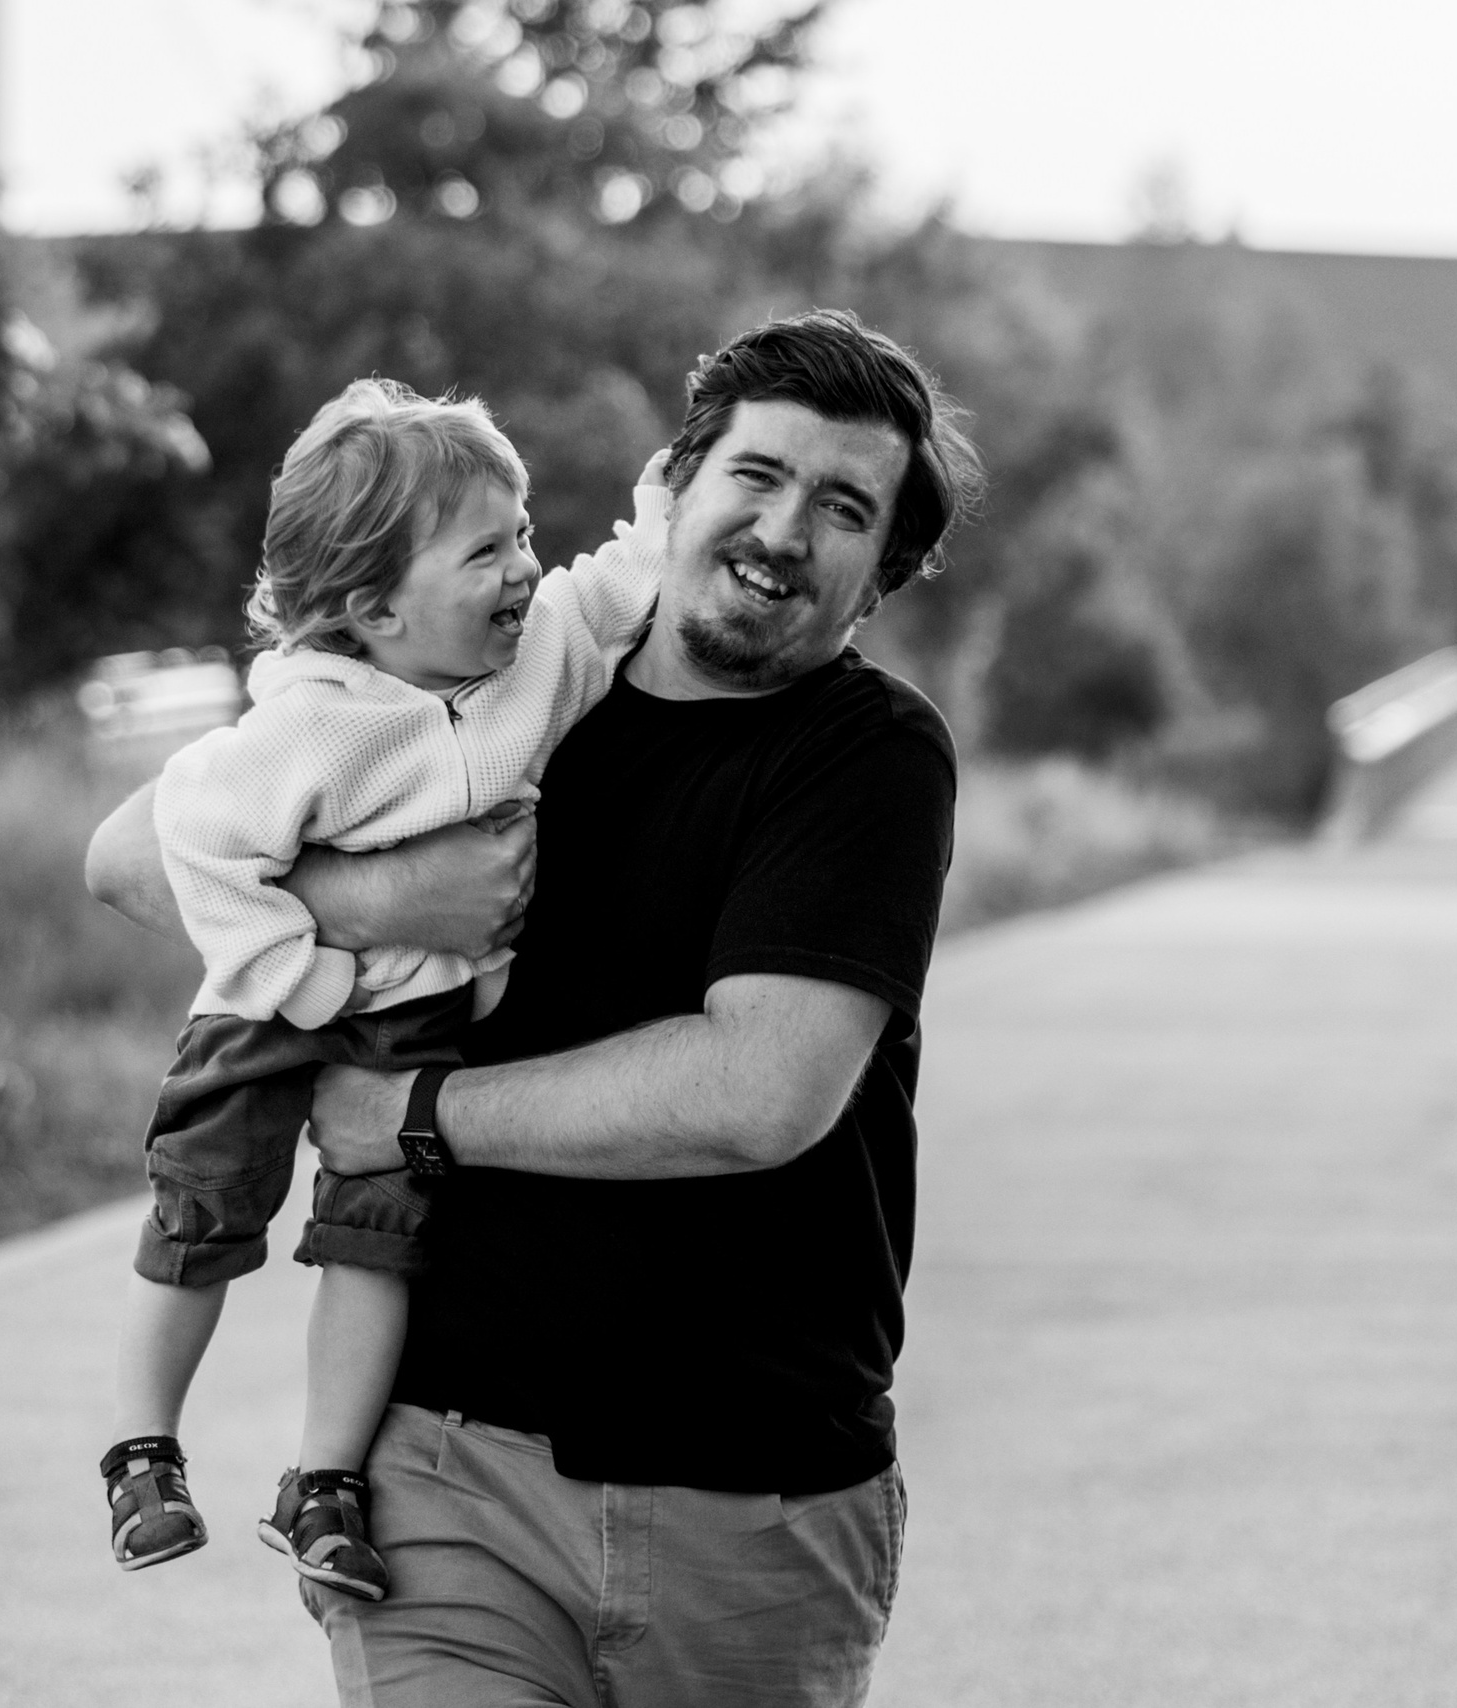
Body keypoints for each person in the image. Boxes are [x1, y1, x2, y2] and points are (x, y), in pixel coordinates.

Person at [88, 308, 983, 1708]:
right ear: (674, 488)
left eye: (843, 509)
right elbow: (130, 855)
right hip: (451, 1487)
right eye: (756, 476)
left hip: (756, 1511)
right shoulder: (496, 680)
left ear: (879, 579)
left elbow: (760, 1093)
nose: (784, 530)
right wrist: (384, 899)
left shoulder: (866, 760)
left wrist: (411, 1116)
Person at [100, 377, 671, 1602]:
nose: (525, 566)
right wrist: (309, 971)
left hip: (411, 1025)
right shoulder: (301, 727)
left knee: (378, 1242)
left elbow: (614, 584)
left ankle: (322, 1478)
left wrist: (673, 501)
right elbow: (195, 848)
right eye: (486, 550)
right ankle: (142, 1450)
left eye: (520, 533)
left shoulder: (533, 665)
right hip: (265, 1012)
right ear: (372, 608)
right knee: (205, 1218)